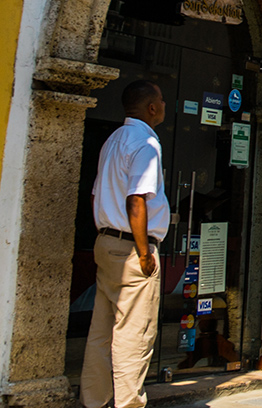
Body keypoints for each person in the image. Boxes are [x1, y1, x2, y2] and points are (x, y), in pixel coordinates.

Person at [81, 81, 170, 408]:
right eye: (160, 100)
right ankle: (128, 404)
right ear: (151, 108)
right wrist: (144, 253)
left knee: (101, 330)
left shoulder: (114, 140)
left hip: (107, 241)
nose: (163, 104)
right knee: (135, 334)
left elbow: (95, 195)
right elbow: (137, 200)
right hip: (134, 248)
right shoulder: (146, 143)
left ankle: (94, 401)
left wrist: (105, 234)